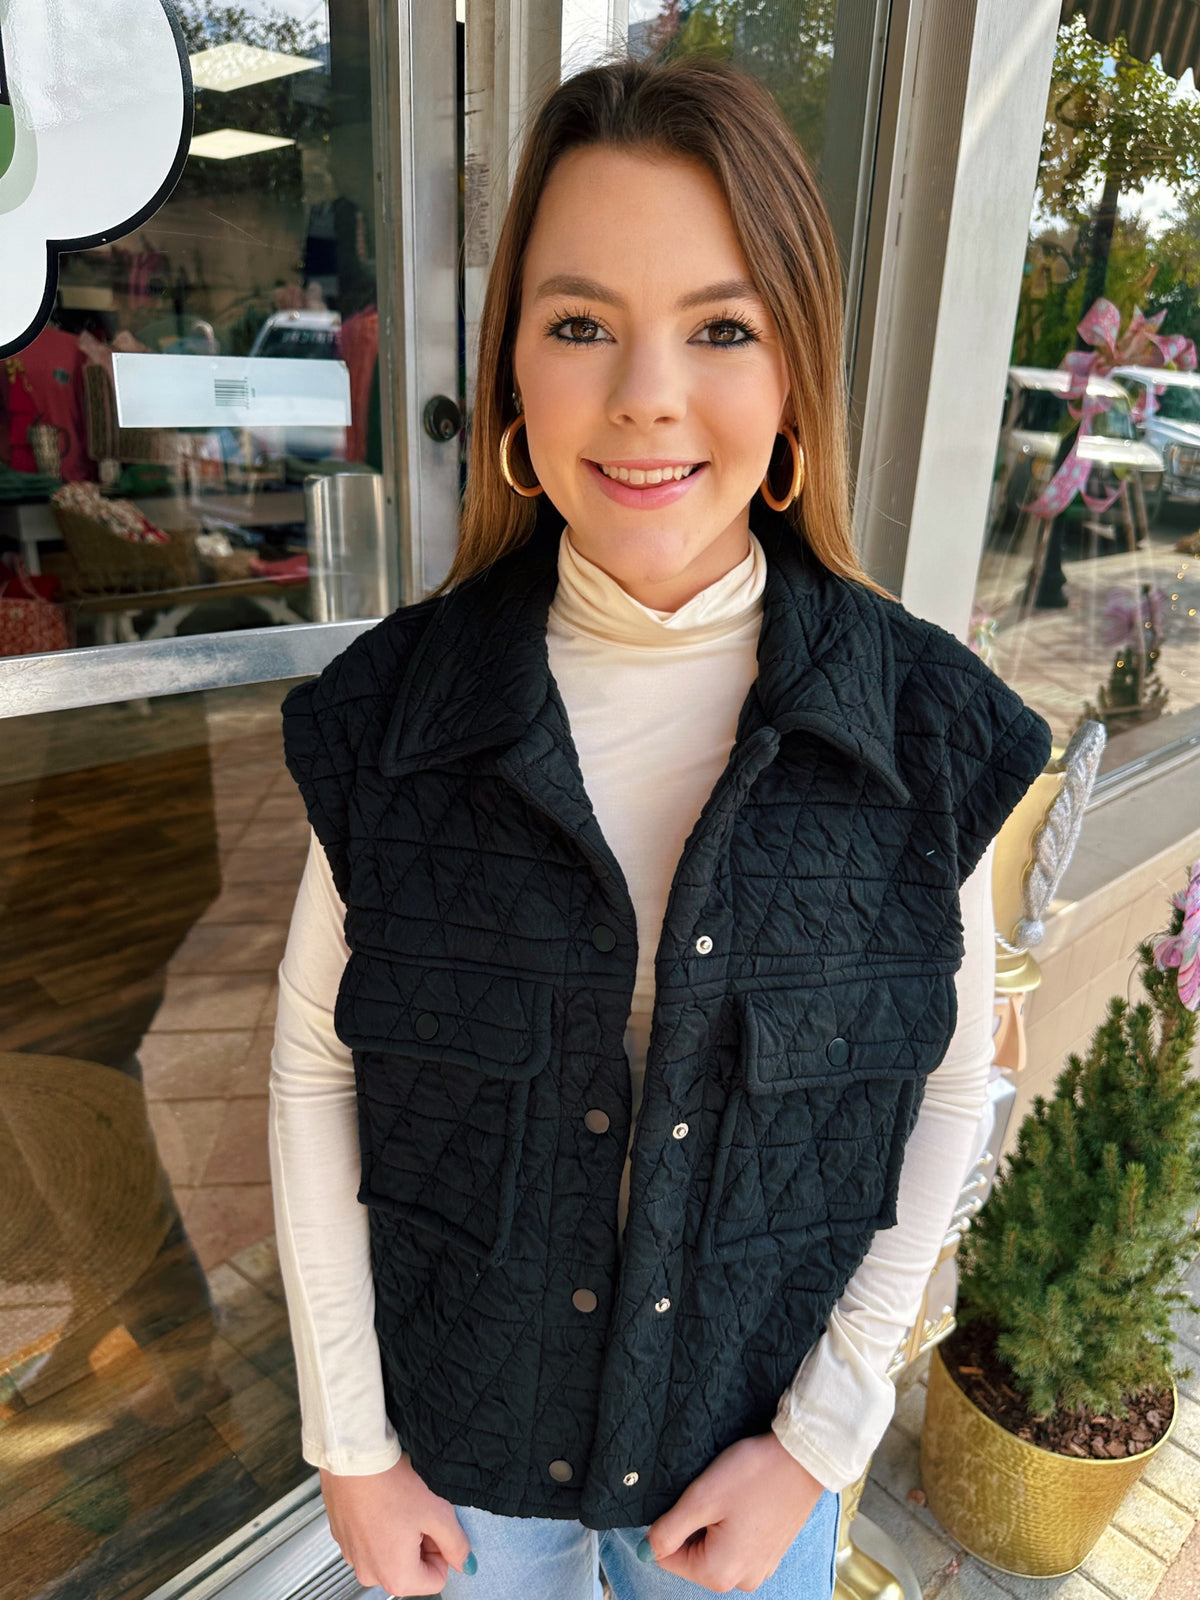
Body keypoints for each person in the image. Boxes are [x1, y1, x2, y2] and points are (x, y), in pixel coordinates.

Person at [269, 53, 1052, 1600]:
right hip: (465, 1484)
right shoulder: (401, 716)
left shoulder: (917, 732)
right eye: (579, 325)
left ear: (793, 375)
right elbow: (314, 1066)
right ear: (512, 376)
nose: (644, 395)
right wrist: (348, 1441)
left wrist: (825, 1441)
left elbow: (953, 1094)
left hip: (747, 1483)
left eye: (719, 326)